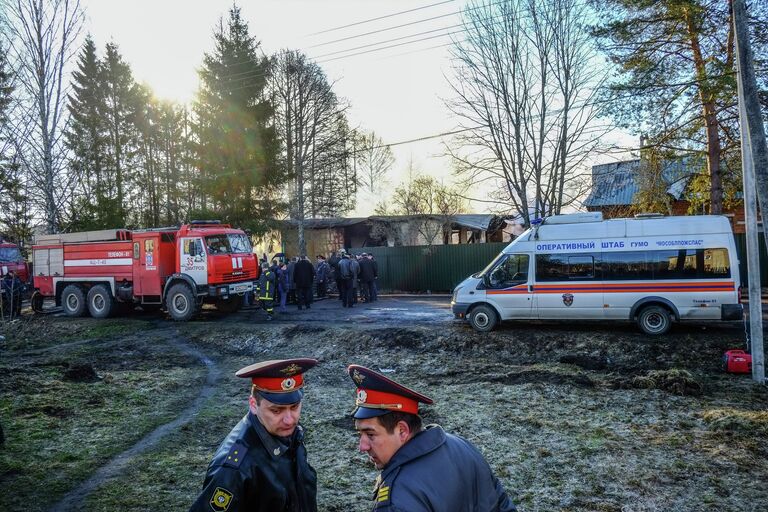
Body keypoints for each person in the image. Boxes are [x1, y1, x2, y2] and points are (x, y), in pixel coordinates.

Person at [347, 365, 517, 512]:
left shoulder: (397, 500)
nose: (362, 446)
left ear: (402, 431)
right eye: (359, 434)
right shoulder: (462, 446)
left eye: (370, 435)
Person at [189, 358, 319, 512]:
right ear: (253, 405)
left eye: (294, 406)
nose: (289, 420)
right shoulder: (234, 467)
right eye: (276, 410)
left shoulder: (290, 434)